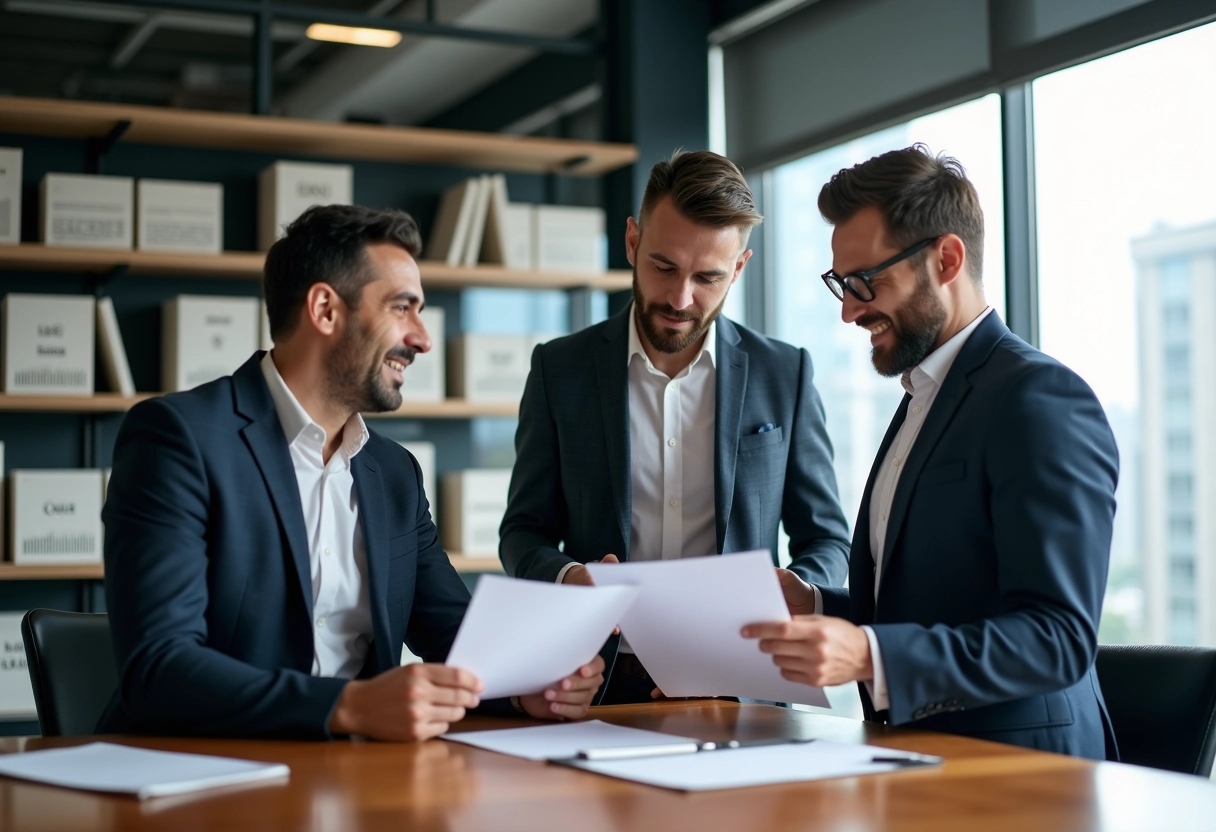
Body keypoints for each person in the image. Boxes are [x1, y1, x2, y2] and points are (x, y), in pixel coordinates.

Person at [99, 204, 603, 740]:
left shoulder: (393, 472)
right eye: (402, 308)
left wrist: (528, 686)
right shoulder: (177, 439)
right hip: (201, 780)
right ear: (325, 309)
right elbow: (158, 669)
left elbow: (455, 634)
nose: (423, 339)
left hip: (361, 780)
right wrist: (348, 706)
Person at [743, 145, 1118, 759]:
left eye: (867, 281)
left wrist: (869, 654)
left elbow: (1058, 637)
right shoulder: (923, 395)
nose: (849, 309)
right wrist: (814, 604)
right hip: (921, 763)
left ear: (946, 259)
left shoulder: (1039, 398)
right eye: (841, 283)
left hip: (1023, 781)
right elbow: (937, 599)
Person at [500, 150, 851, 705]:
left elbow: (827, 538)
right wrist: (567, 576)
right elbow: (522, 532)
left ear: (738, 268)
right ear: (633, 242)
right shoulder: (558, 369)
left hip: (744, 683)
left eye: (708, 277)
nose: (680, 299)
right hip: (595, 681)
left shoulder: (786, 373)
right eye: (664, 267)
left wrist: (796, 591)